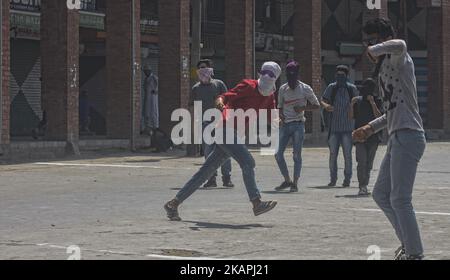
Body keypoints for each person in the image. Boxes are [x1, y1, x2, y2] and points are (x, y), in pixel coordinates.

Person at [164, 62, 281, 221]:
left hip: (234, 135)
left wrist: (279, 120)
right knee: (248, 162)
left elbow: (272, 116)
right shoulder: (248, 85)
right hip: (224, 129)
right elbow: (225, 96)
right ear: (260, 75)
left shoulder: (270, 96)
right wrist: (219, 101)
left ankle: (173, 204)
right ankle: (256, 203)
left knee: (205, 172)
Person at [353, 18, 426, 260]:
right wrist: (370, 127)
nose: (368, 46)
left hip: (410, 134)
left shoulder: (399, 59)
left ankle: (414, 253)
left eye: (371, 39)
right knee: (381, 194)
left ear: (382, 38)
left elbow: (401, 44)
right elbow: (392, 111)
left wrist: (375, 49)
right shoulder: (385, 70)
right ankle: (409, 244)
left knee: (400, 198)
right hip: (396, 136)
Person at [274, 61, 320, 192]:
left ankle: (295, 182)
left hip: (298, 125)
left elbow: (316, 105)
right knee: (278, 154)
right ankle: (287, 180)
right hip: (285, 125)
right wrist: (281, 116)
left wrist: (303, 108)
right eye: (289, 76)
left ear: (298, 75)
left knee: (296, 155)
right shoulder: (283, 89)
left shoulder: (305, 89)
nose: (291, 79)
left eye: (293, 76)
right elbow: (280, 107)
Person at [191, 59, 234, 188]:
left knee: (225, 151)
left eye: (205, 68)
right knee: (209, 153)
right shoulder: (196, 88)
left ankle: (227, 178)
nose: (202, 71)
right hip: (205, 124)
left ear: (211, 69)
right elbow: (192, 106)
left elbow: (228, 100)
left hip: (221, 123)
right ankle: (211, 179)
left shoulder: (219, 84)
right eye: (200, 68)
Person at [321, 65, 359, 187]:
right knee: (333, 156)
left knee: (347, 156)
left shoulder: (352, 89)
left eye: (342, 75)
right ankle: (333, 179)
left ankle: (347, 179)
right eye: (338, 75)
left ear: (347, 76)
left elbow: (358, 103)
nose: (340, 78)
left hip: (348, 128)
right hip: (334, 128)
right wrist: (326, 106)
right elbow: (323, 100)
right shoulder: (332, 87)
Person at [348, 78, 383, 196]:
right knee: (361, 162)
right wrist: (352, 104)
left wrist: (372, 102)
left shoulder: (378, 101)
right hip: (359, 137)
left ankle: (365, 184)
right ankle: (362, 186)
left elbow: (379, 117)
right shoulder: (358, 101)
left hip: (373, 137)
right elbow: (352, 117)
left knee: (369, 163)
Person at [142, 65, 159, 136]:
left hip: (153, 98)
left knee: (154, 112)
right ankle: (147, 129)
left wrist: (156, 90)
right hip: (147, 97)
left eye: (146, 71)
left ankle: (155, 127)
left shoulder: (154, 77)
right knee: (146, 112)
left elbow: (158, 85)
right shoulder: (146, 78)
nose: (145, 73)